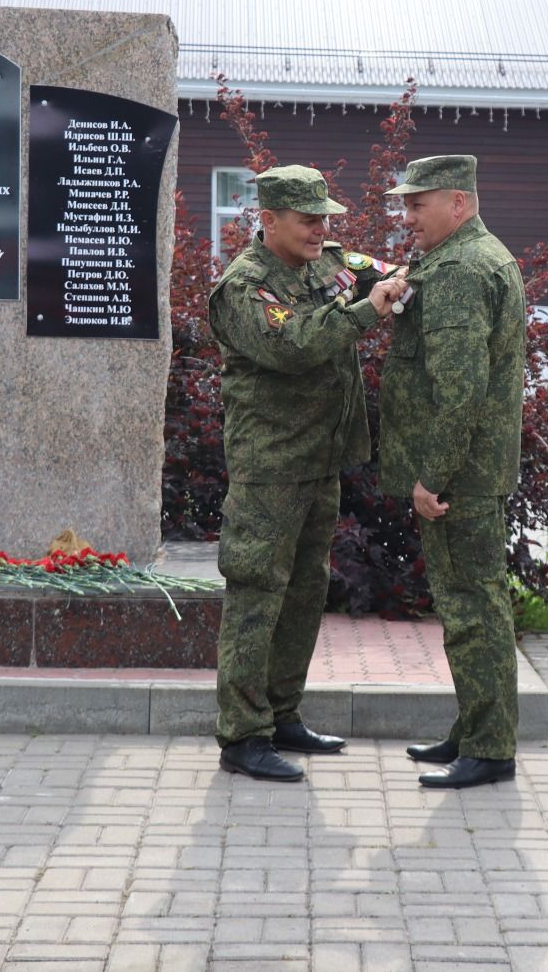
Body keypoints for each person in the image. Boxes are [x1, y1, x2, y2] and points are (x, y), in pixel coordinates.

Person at [208, 164, 407, 782]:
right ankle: (243, 735)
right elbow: (291, 345)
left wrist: (397, 278)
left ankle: (283, 713)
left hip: (320, 460)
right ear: (268, 220)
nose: (321, 228)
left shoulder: (329, 261)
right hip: (271, 467)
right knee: (256, 593)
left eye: (325, 217)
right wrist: (367, 312)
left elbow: (377, 271)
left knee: (305, 590)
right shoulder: (244, 288)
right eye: (308, 219)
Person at [380, 154, 526, 790]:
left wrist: (431, 477)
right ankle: (474, 729)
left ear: (458, 204)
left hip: (459, 477)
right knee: (470, 607)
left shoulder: (464, 270)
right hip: (469, 471)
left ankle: (490, 750)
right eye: (405, 203)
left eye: (418, 204)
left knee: (474, 612)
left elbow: (460, 389)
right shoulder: (462, 257)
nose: (406, 215)